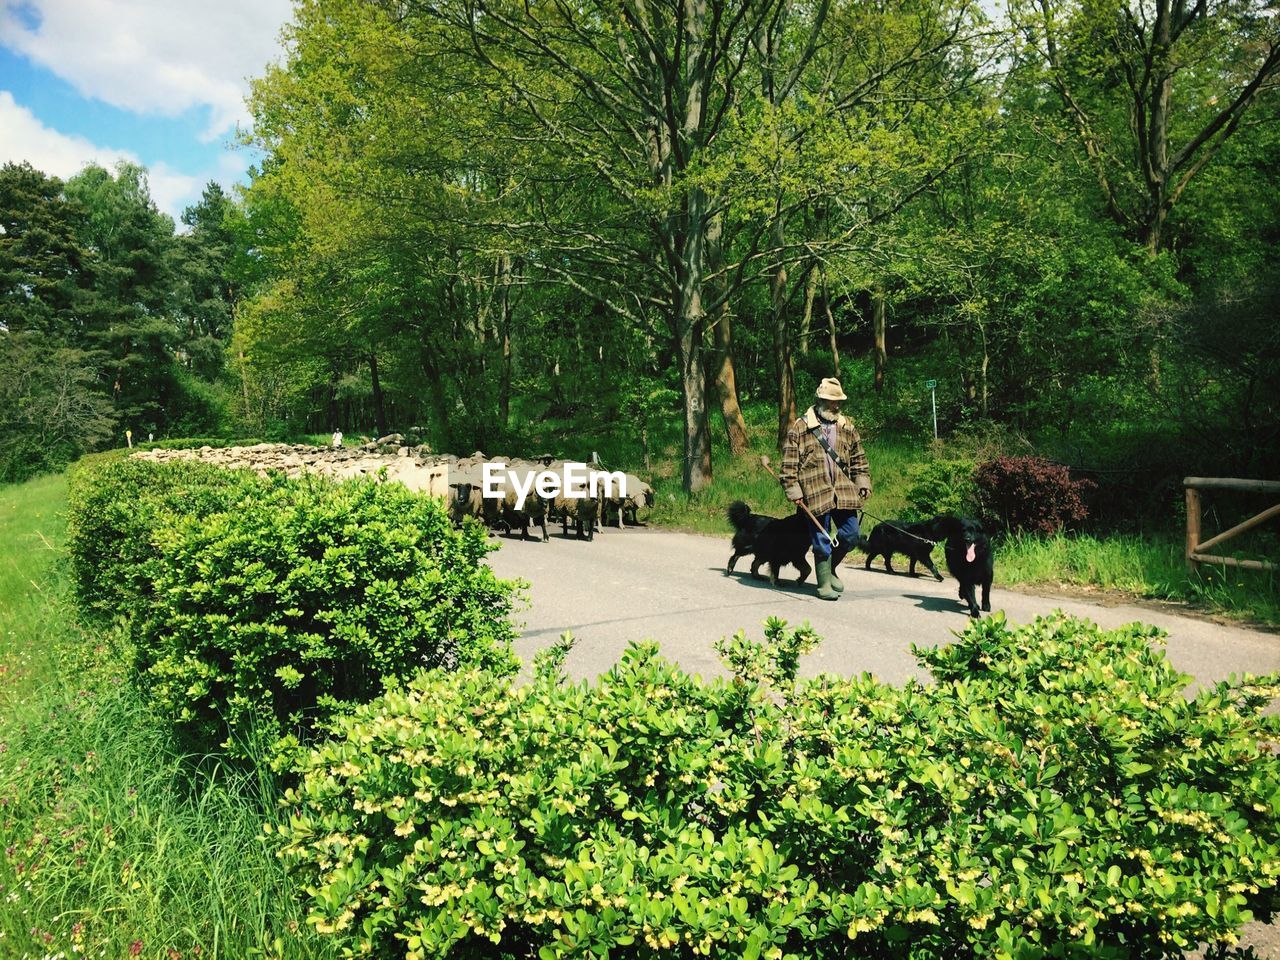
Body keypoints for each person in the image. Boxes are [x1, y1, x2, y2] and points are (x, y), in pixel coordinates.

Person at [780, 377, 872, 601]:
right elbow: (789, 463)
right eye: (831, 401)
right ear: (820, 399)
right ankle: (823, 586)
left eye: (838, 401)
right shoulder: (801, 427)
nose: (836, 405)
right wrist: (793, 490)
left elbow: (858, 457)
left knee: (851, 534)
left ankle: (830, 570)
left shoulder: (847, 426)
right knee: (822, 538)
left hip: (843, 490)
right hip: (814, 492)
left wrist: (862, 481)